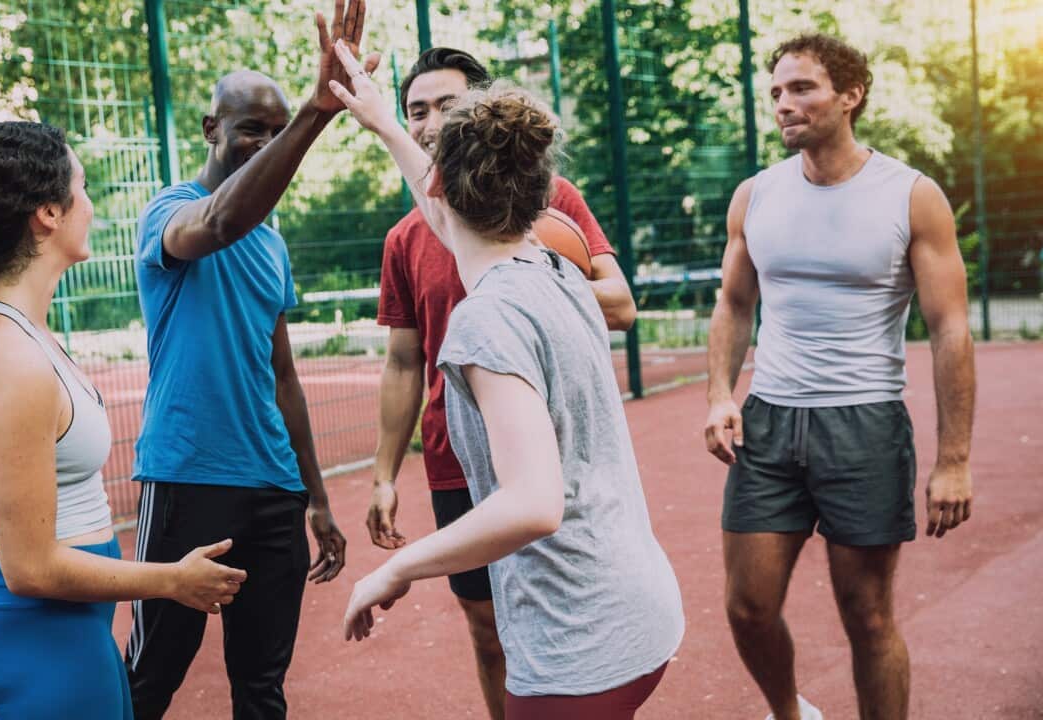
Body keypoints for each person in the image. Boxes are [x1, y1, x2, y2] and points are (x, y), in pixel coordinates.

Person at [329, 42, 684, 720]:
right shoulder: (557, 271)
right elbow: (443, 211)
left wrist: (398, 567)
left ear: (440, 187)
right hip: (640, 612)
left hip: (578, 641)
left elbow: (532, 505)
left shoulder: (485, 320)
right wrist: (383, 123)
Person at [0, 121, 246, 719]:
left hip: (59, 627)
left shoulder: (19, 334)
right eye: (82, 187)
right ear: (48, 212)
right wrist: (172, 580)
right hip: (37, 633)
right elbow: (30, 568)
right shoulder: (10, 360)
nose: (90, 205)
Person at [702, 34, 975, 720]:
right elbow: (734, 304)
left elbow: (950, 329)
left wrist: (953, 460)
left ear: (850, 95)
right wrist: (719, 395)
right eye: (776, 92)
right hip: (769, 422)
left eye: (802, 88)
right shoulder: (756, 195)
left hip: (865, 424)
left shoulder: (911, 196)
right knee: (747, 607)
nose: (783, 104)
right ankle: (790, 715)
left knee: (868, 616)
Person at [123, 2, 377, 717]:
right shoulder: (170, 211)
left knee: (262, 688)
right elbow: (219, 220)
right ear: (211, 129)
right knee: (150, 678)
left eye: (275, 131)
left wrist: (317, 498)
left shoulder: (273, 244)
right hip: (188, 477)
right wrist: (314, 114)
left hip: (273, 490)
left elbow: (283, 377)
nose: (263, 144)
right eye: (249, 130)